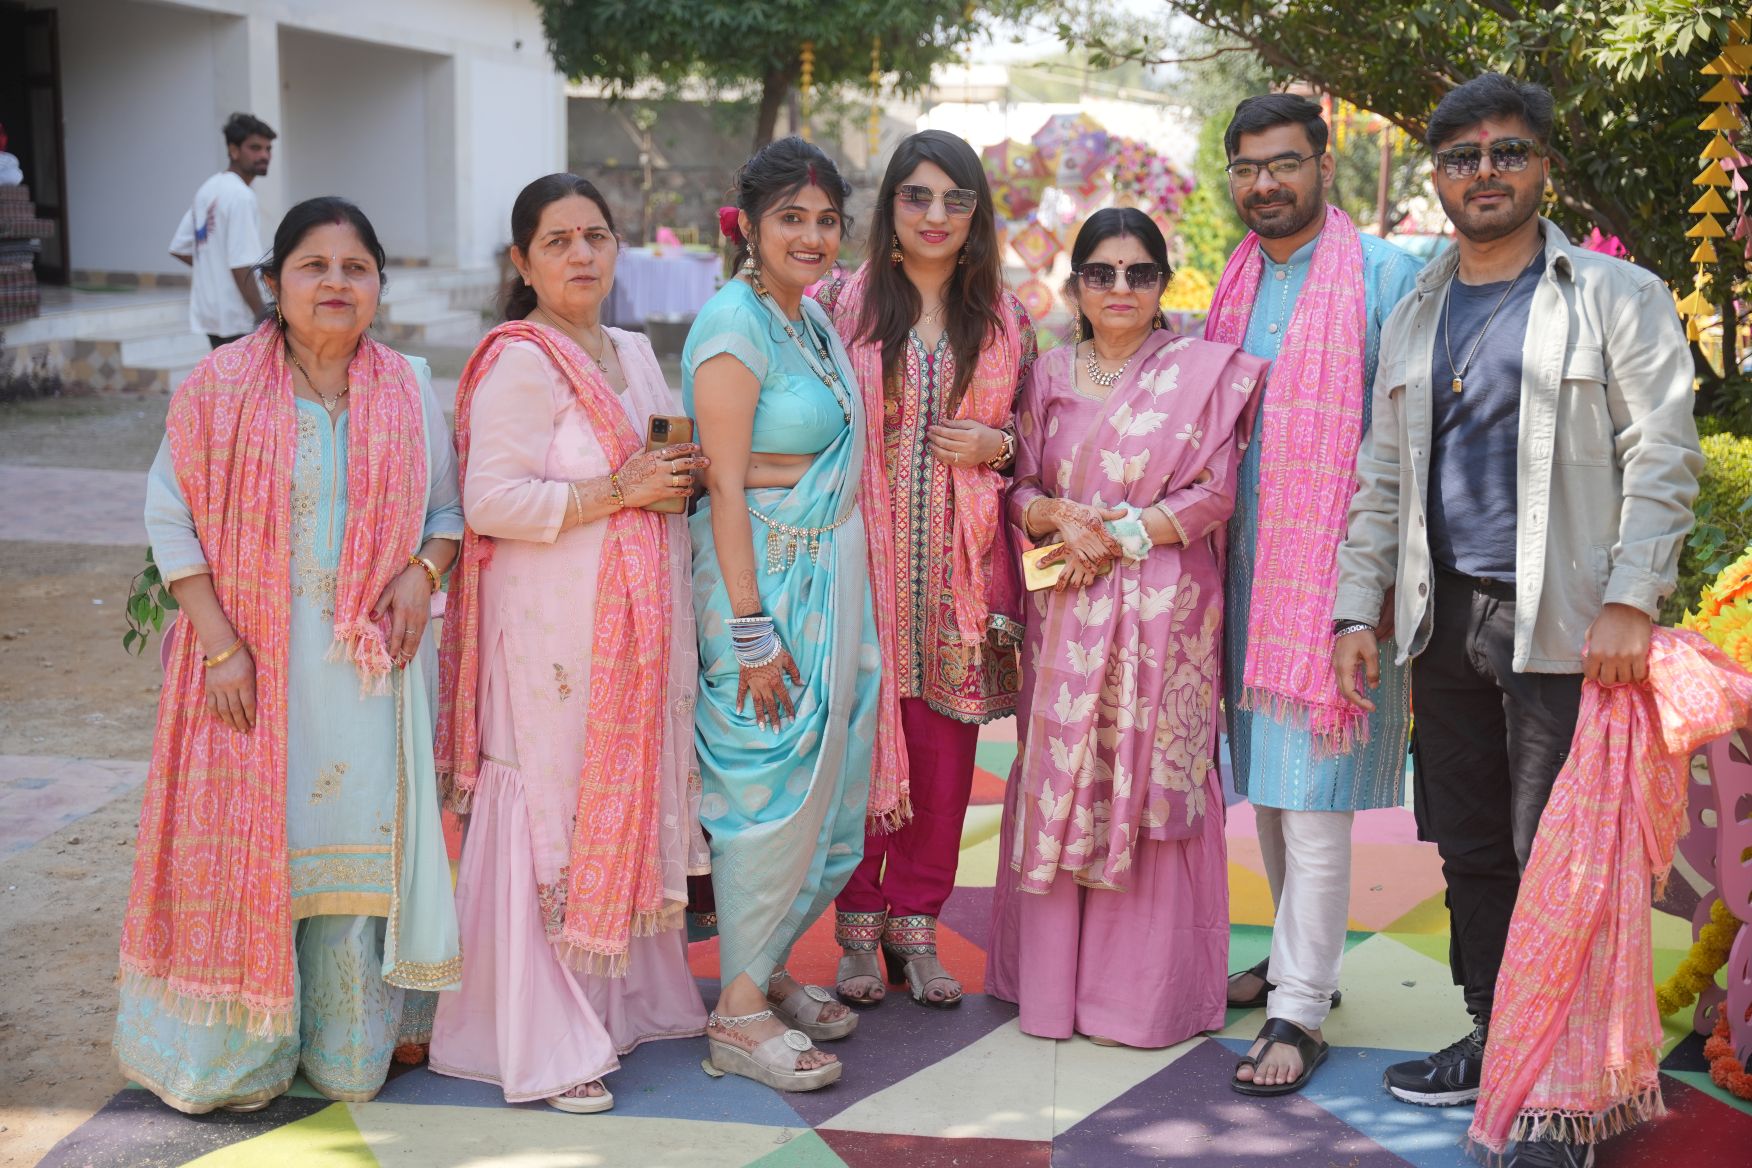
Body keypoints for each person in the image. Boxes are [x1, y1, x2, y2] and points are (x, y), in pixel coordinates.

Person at [1330, 73, 1701, 1166]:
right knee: (1474, 847)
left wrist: (1631, 597)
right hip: (1442, 619)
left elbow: (1663, 453)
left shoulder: (1615, 295)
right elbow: (1381, 480)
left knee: (1564, 858)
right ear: (1439, 175)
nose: (1483, 172)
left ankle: (1567, 1094)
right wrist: (1355, 609)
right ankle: (1499, 1038)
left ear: (1542, 164)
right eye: (1462, 156)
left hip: (1567, 625)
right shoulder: (1417, 310)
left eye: (1507, 151)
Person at [115, 196, 463, 1113]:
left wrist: (424, 571)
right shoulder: (220, 386)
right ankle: (241, 1055)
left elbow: (447, 511)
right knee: (261, 847)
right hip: (251, 670)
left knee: (354, 848)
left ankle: (349, 1040)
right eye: (314, 266)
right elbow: (170, 518)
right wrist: (221, 649)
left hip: (371, 673)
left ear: (379, 284)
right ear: (274, 282)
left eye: (356, 268)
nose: (336, 283)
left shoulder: (407, 385)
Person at [429, 175, 711, 1114]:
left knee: (615, 792)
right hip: (547, 629)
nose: (582, 255)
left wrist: (679, 476)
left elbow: (655, 464)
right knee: (550, 800)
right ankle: (540, 1037)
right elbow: (489, 501)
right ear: (524, 262)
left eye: (596, 236)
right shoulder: (520, 360)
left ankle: (620, 1005)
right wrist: (618, 493)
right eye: (557, 241)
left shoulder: (630, 349)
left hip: (632, 627)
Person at [986, 208, 1268, 1049]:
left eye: (1139, 273)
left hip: (1164, 612)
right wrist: (1052, 516)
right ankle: (1051, 990)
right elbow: (1017, 485)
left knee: (1150, 779)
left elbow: (1216, 492)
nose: (1120, 288)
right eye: (1101, 273)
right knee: (1065, 773)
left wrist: (1122, 535)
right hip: (1066, 612)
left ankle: (1142, 998)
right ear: (1075, 284)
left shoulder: (1200, 373)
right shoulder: (1047, 373)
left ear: (1162, 284)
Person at [1204, 93, 1418, 1096]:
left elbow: (1410, 440)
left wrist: (1376, 588)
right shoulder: (1236, 281)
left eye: (1284, 163)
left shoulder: (1385, 276)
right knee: (1272, 789)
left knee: (1316, 799)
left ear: (1324, 166)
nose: (1265, 185)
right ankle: (1301, 969)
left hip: (1339, 581)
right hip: (1248, 574)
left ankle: (1298, 1007)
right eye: (1248, 168)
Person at [684, 136, 893, 1091]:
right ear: (750, 227)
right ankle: (734, 1016)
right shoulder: (734, 325)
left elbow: (805, 450)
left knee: (830, 786)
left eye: (826, 220)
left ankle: (761, 971)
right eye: (791, 219)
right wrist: (751, 629)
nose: (811, 236)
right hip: (761, 588)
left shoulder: (806, 317)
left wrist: (790, 470)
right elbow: (722, 485)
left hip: (828, 577)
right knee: (765, 787)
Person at [815, 129, 1035, 1009]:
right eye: (917, 196)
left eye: (955, 198)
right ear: (891, 206)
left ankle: (917, 930)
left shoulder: (1005, 319)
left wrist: (998, 445)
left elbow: (1043, 445)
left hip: (959, 581)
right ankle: (857, 935)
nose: (935, 214)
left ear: (977, 212)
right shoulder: (842, 304)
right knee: (858, 752)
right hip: (857, 567)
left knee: (944, 765)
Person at [169, 112, 274, 348]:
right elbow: (240, 265)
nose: (264, 155)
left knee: (224, 373)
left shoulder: (208, 189)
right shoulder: (241, 196)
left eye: (268, 149)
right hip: (237, 318)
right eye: (255, 148)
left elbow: (179, 248)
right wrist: (264, 318)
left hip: (211, 315)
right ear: (233, 150)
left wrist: (213, 268)